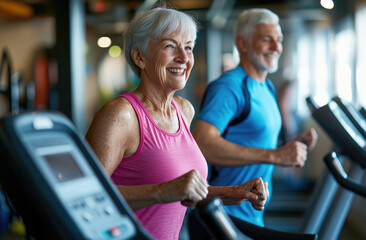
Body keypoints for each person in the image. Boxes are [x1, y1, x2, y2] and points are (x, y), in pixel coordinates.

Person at [85, 7, 269, 240]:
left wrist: (235, 192)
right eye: (170, 46)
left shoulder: (184, 110)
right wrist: (164, 191)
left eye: (189, 47)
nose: (184, 58)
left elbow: (187, 192)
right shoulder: (121, 116)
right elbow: (87, 196)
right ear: (139, 56)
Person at [192, 8, 318, 227]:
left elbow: (256, 141)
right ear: (243, 44)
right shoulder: (229, 87)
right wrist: (275, 156)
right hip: (222, 215)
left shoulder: (267, 87)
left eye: (279, 40)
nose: (277, 48)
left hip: (251, 214)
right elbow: (202, 143)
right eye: (267, 40)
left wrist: (292, 145)